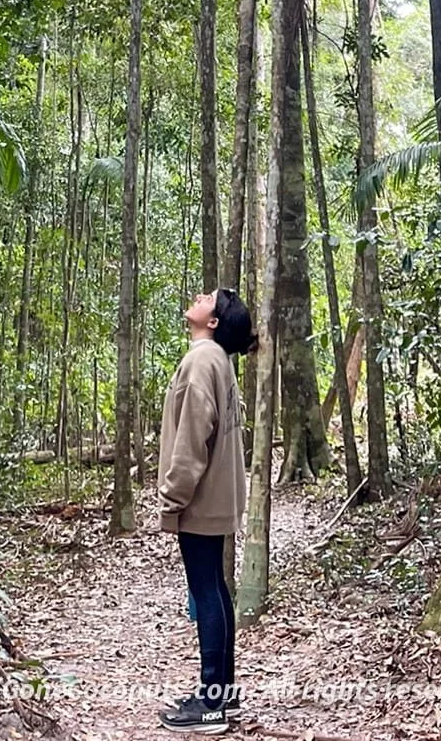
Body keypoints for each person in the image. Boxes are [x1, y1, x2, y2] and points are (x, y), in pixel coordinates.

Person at [155, 284, 257, 732]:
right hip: (217, 496)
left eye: (207, 299)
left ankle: (212, 701)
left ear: (212, 322)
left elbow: (193, 438)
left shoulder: (202, 361)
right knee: (214, 587)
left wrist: (173, 496)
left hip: (200, 498)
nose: (198, 298)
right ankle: (224, 693)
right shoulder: (218, 361)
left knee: (206, 591)